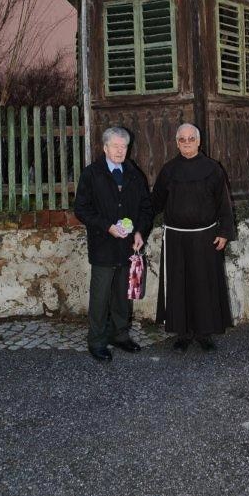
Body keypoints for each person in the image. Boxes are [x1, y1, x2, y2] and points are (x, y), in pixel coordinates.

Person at [152, 123, 234, 352]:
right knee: (179, 286)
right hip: (176, 239)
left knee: (204, 286)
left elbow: (224, 203)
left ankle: (204, 334)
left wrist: (224, 232)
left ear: (199, 141)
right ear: (177, 143)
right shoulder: (168, 170)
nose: (187, 143)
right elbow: (155, 202)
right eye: (182, 139)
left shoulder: (213, 169)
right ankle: (183, 334)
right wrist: (136, 222)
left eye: (191, 139)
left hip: (205, 237)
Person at [74, 127, 152, 362]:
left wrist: (140, 232)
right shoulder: (91, 174)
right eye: (115, 146)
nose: (120, 151)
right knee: (100, 296)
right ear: (105, 147)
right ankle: (97, 341)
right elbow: (81, 209)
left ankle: (120, 335)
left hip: (128, 246)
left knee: (122, 295)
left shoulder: (134, 174)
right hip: (103, 245)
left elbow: (146, 208)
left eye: (124, 146)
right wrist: (106, 226)